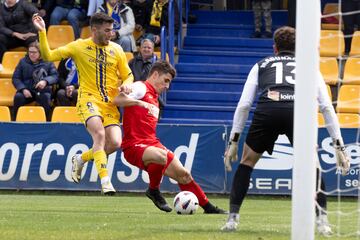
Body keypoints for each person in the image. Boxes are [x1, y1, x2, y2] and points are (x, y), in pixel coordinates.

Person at [220, 26, 350, 235]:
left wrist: (233, 141)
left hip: (268, 110)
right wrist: (338, 144)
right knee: (312, 165)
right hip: (297, 112)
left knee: (247, 161)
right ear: (298, 48)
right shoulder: (309, 66)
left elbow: (244, 104)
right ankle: (322, 222)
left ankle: (232, 219)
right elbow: (326, 106)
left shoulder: (261, 64)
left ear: (275, 47)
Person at [33, 12, 134, 194]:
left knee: (116, 143)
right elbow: (48, 56)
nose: (111, 34)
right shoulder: (79, 46)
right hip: (88, 99)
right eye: (107, 30)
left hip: (110, 103)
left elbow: (128, 75)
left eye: (112, 30)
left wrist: (126, 85)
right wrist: (41, 32)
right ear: (94, 30)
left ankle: (81, 159)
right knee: (99, 135)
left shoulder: (117, 50)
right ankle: (105, 182)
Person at [113, 60, 227, 214]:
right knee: (161, 156)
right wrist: (139, 103)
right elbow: (117, 100)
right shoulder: (141, 88)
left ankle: (209, 208)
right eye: (165, 81)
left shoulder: (154, 97)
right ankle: (153, 190)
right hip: (133, 146)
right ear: (154, 75)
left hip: (152, 143)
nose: (167, 86)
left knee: (184, 175)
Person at [12, 41, 58, 121]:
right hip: (27, 90)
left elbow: (55, 76)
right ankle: (14, 121)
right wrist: (23, 89)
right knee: (18, 97)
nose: (31, 54)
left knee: (46, 98)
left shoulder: (48, 61)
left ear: (40, 53)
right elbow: (16, 78)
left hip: (43, 90)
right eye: (30, 52)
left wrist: (45, 81)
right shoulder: (23, 62)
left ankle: (47, 122)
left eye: (34, 52)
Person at [0, 0, 39, 65]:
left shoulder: (24, 4)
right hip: (13, 36)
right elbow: (1, 27)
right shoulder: (1, 8)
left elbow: (36, 14)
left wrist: (33, 30)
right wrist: (14, 34)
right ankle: (5, 62)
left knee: (34, 44)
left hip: (28, 34)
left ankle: (33, 66)